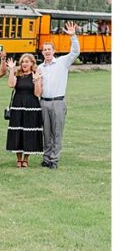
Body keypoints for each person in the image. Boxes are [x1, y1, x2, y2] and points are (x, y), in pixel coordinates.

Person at [38, 21, 80, 169]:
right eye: (45, 50)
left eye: (49, 49)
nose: (47, 52)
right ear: (42, 52)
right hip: (43, 102)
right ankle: (46, 157)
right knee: (46, 132)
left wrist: (73, 36)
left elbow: (75, 52)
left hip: (58, 102)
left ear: (54, 51)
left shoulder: (62, 62)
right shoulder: (40, 67)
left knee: (57, 132)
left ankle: (54, 159)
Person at [5, 54, 44, 167]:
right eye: (22, 62)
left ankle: (26, 158)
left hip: (31, 106)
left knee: (29, 130)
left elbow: (37, 93)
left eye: (27, 61)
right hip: (18, 105)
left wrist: (37, 80)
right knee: (18, 130)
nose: (24, 64)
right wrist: (12, 70)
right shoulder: (17, 74)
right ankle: (18, 158)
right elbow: (11, 84)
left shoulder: (35, 75)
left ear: (32, 63)